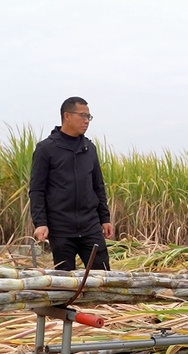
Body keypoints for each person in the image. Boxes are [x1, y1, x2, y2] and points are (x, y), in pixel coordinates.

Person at [29, 96, 114, 271]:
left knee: (103, 276)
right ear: (67, 116)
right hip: (61, 228)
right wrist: (40, 222)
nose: (86, 121)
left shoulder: (89, 148)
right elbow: (37, 190)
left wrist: (105, 218)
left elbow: (98, 186)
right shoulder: (46, 149)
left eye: (89, 117)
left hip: (90, 226)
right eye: (82, 115)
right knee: (64, 280)